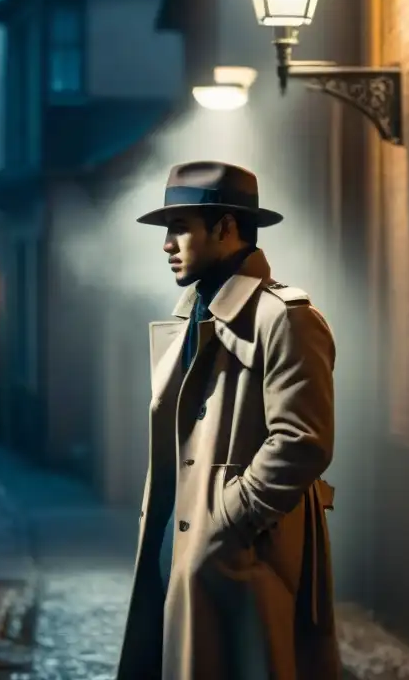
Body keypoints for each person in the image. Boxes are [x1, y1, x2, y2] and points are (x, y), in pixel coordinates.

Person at [115, 161, 341, 680]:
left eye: (180, 228)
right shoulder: (191, 314)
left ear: (226, 226)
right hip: (186, 538)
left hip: (243, 551)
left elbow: (302, 441)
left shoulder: (284, 317)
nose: (167, 244)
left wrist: (228, 517)